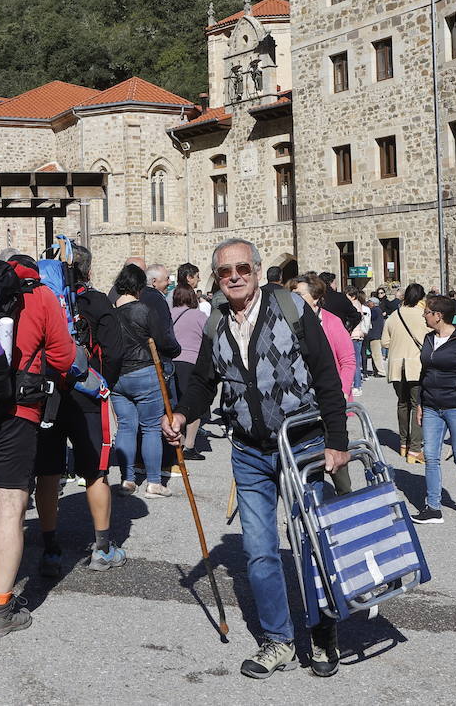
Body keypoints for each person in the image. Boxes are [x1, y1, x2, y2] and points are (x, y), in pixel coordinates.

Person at [162, 238, 349, 680]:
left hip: (301, 445)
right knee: (260, 552)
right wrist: (184, 413)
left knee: (308, 542)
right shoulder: (216, 324)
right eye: (225, 272)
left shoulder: (290, 309)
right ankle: (278, 641)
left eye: (242, 268)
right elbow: (204, 382)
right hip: (248, 451)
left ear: (258, 268)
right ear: (216, 279)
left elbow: (326, 375)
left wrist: (336, 440)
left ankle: (322, 635)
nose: (234, 277)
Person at [0, 253, 74, 638]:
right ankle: (1, 607)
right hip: (18, 411)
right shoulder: (40, 296)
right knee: (11, 508)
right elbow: (64, 355)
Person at [34, 243, 127, 575]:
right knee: (96, 471)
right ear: (87, 270)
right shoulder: (98, 301)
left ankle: (50, 549)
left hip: (46, 394)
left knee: (47, 472)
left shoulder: (37, 299)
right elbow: (115, 352)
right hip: (88, 396)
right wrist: (104, 385)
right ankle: (102, 548)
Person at [412, 296, 456, 524]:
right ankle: (433, 507)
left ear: (438, 316)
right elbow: (424, 374)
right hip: (432, 406)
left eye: (427, 312)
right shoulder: (428, 338)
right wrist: (420, 404)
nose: (424, 315)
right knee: (431, 456)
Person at [111, 264, 182, 498]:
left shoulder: (111, 312)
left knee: (126, 427)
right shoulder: (144, 309)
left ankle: (127, 479)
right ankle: (153, 482)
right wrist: (175, 349)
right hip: (145, 372)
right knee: (151, 428)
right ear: (140, 286)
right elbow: (164, 341)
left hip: (119, 376)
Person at [382, 283, 427, 464]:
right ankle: (415, 449)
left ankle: (403, 444)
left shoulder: (394, 315)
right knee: (418, 406)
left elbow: (385, 341)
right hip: (415, 365)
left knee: (402, 404)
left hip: (396, 365)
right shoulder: (423, 316)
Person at [293, 275, 357, 394]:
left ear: (315, 297)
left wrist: (342, 392)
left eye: (298, 295)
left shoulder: (332, 322)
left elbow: (347, 361)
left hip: (331, 393)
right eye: (291, 295)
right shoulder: (289, 323)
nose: (292, 299)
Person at [169, 280, 209, 460]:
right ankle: (190, 446)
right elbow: (209, 337)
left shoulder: (168, 314)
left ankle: (179, 441)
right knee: (193, 404)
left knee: (177, 404)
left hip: (172, 362)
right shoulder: (198, 316)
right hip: (192, 362)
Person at [346, 287, 369, 397]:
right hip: (358, 335)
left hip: (354, 335)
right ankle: (357, 383)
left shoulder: (353, 305)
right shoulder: (359, 304)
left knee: (354, 361)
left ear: (353, 296)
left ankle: (357, 385)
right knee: (356, 360)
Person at [365, 296, 386, 377]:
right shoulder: (377, 310)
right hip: (375, 335)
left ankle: (381, 371)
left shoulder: (375, 310)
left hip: (375, 336)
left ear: (373, 303)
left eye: (369, 302)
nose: (368, 303)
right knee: (375, 354)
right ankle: (376, 370)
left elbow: (370, 317)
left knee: (377, 355)